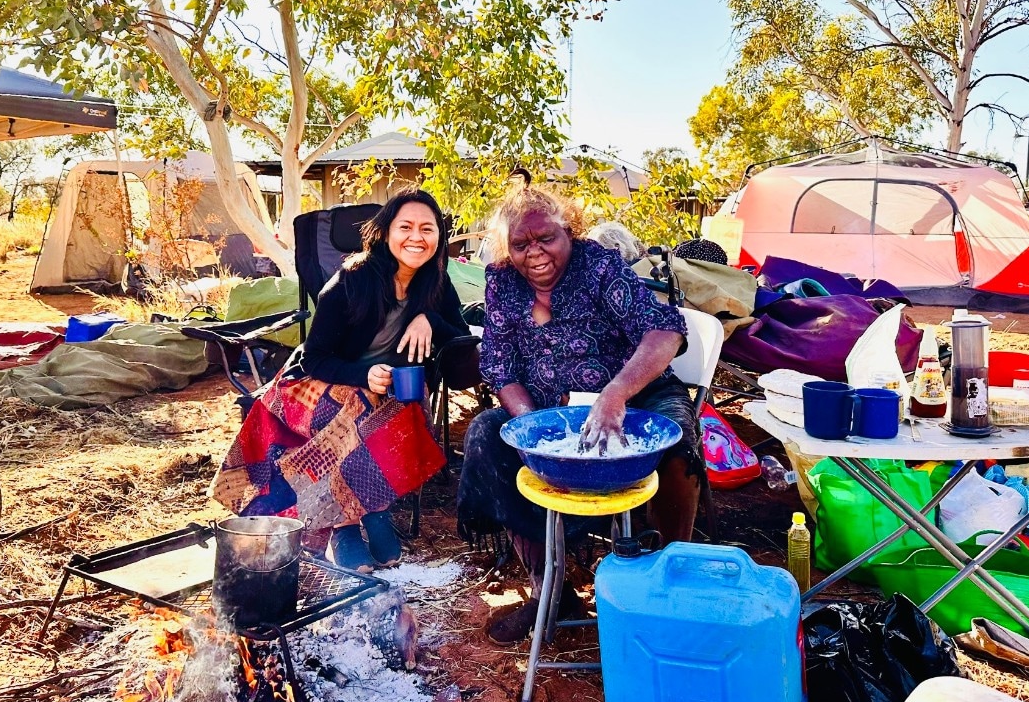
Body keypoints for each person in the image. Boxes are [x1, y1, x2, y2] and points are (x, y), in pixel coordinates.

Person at [457, 187, 702, 644]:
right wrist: (531, 425)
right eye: (520, 244)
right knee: (488, 435)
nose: (534, 253)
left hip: (636, 395)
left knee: (676, 441)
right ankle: (550, 589)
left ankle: (669, 582)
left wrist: (616, 392)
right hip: (555, 411)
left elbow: (665, 331)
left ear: (568, 230)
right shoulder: (501, 282)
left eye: (545, 238)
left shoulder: (598, 266)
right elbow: (499, 365)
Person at [212, 190, 469, 573]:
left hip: (385, 388)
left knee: (399, 406)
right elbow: (315, 358)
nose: (417, 237)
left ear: (438, 238)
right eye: (406, 227)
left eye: (427, 229)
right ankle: (350, 526)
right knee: (355, 406)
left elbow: (461, 338)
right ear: (385, 233)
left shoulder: (436, 283)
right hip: (312, 384)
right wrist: (362, 374)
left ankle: (370, 513)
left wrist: (430, 319)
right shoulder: (352, 280)